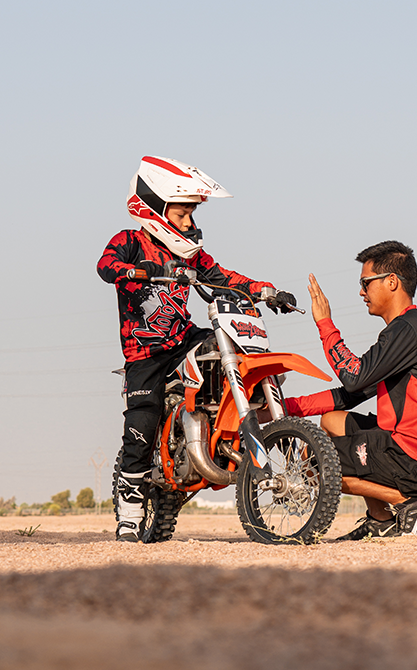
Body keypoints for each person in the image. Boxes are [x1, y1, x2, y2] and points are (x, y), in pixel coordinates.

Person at [97, 155, 295, 542]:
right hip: (145, 353)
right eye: (183, 213)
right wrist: (137, 271)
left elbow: (223, 277)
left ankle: (231, 429)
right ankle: (130, 513)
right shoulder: (129, 242)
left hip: (184, 337)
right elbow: (106, 266)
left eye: (191, 214)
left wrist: (265, 290)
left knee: (230, 351)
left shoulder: (189, 253)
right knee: (141, 420)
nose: (190, 222)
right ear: (155, 207)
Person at [284, 241, 417, 540]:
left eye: (366, 283)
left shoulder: (409, 330)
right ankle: (380, 520)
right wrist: (285, 408)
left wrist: (325, 324)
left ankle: (410, 504)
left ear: (392, 281)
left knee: (312, 460)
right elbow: (351, 393)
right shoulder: (407, 330)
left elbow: (353, 378)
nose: (361, 292)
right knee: (331, 421)